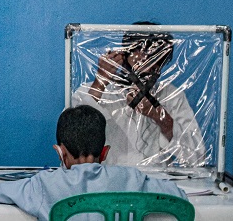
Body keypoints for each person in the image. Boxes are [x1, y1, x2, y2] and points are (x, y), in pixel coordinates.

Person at [0, 105, 186, 221]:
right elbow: (178, 196)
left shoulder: (43, 185)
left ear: (60, 153)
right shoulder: (132, 178)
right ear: (105, 152)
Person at [72, 22, 206, 167]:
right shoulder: (92, 92)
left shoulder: (171, 96)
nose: (148, 65)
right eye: (142, 55)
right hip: (108, 178)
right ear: (124, 55)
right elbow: (70, 144)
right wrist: (99, 84)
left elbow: (197, 157)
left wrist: (160, 117)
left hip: (155, 179)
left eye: (156, 59)